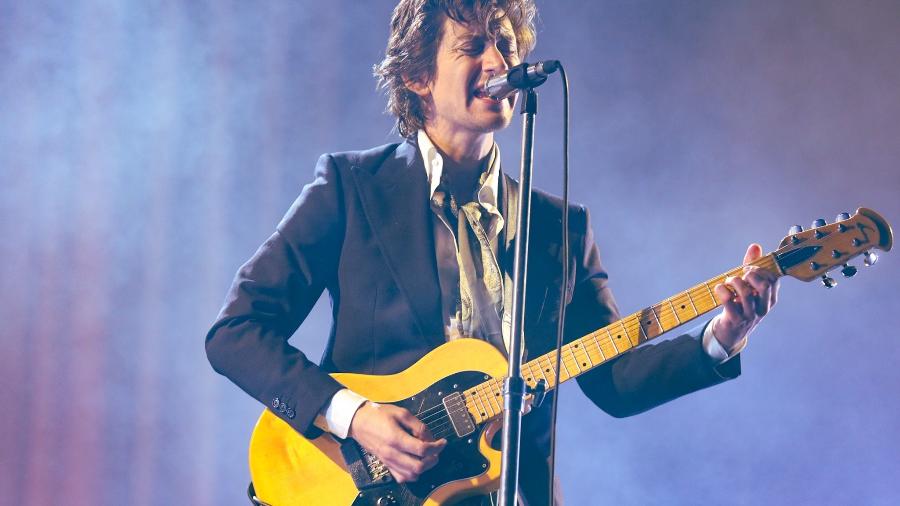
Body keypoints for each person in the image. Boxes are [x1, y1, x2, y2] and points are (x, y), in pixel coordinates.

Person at [205, 0, 779, 504]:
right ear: (417, 76)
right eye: (473, 46)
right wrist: (356, 417)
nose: (500, 62)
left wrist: (722, 337)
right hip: (367, 486)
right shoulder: (351, 189)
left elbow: (615, 382)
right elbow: (235, 332)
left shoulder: (561, 229)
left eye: (505, 43)